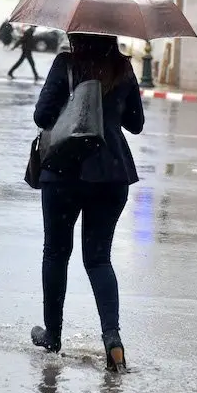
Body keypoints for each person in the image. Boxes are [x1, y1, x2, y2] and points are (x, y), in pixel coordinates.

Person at [29, 33, 145, 373]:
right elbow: (136, 124)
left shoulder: (66, 64)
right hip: (110, 173)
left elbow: (42, 116)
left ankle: (52, 335)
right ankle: (113, 340)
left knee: (56, 253)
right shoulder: (122, 67)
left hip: (64, 171)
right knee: (98, 259)